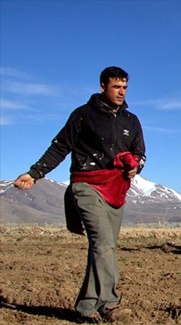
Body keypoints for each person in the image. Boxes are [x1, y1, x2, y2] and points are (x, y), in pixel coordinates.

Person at [13, 66, 146, 323]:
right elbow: (60, 146)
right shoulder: (83, 115)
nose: (121, 92)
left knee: (102, 247)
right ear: (102, 87)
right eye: (116, 87)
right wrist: (34, 173)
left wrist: (135, 166)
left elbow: (140, 153)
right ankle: (110, 304)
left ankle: (86, 305)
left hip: (116, 188)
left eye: (125, 87)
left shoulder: (132, 121)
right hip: (86, 185)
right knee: (104, 243)